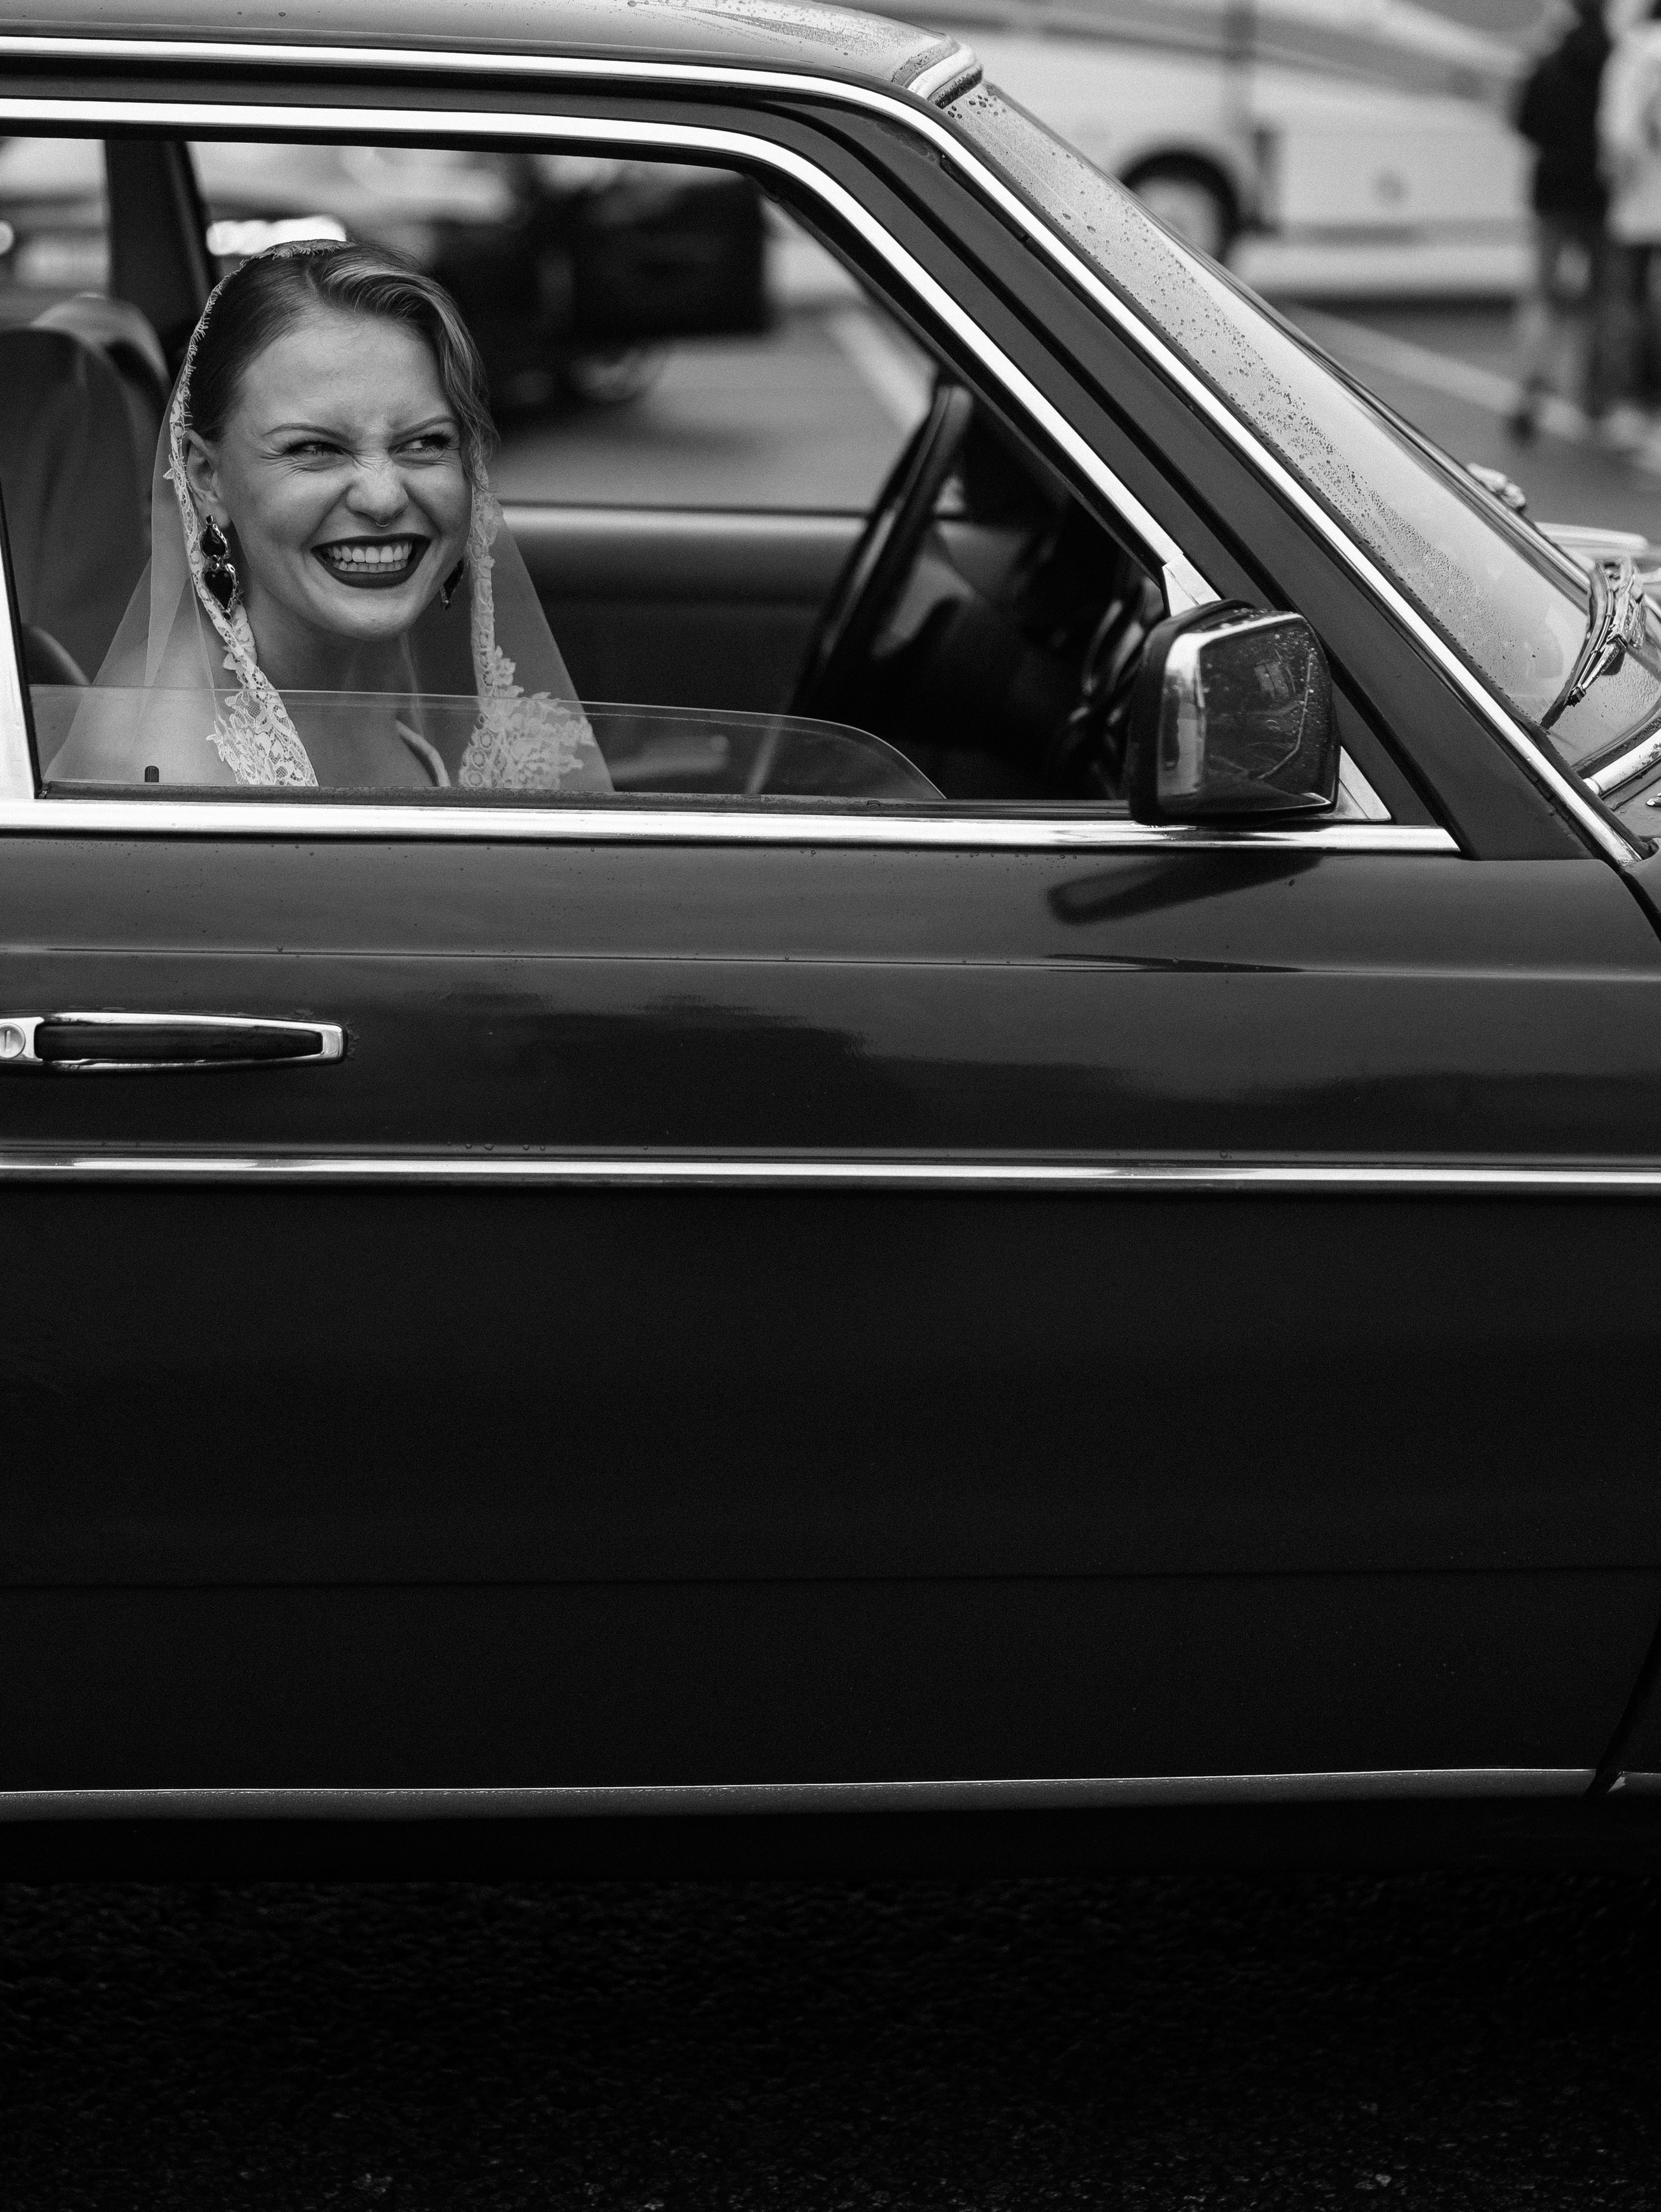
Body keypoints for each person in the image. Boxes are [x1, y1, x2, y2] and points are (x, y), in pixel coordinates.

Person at [48, 239, 609, 792]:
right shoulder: (163, 764)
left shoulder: (398, 686)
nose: (384, 497)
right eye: (315, 449)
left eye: (424, 443)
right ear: (206, 478)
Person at [1510, 0, 1616, 444]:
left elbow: (1523, 121)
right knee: (1602, 298)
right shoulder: (1616, 62)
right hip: (1601, 194)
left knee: (1542, 293)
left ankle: (1531, 385)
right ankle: (1594, 397)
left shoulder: (1548, 62)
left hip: (1551, 192)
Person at [1600, 0, 1661, 440]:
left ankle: (1633, 404)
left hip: (1640, 199)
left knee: (1631, 302)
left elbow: (1619, 131)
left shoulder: (1637, 49)